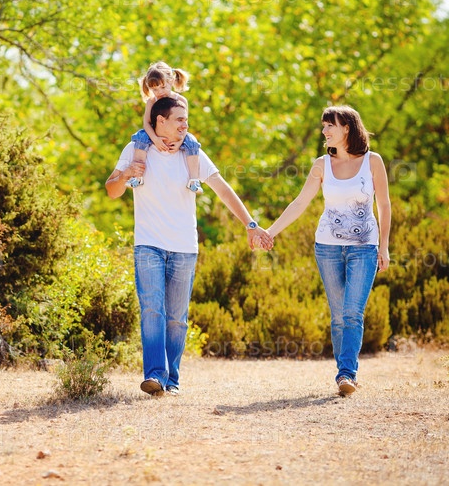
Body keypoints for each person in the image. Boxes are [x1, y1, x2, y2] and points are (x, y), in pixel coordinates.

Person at [106, 96, 272, 396]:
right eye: (179, 119)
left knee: (176, 319)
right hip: (148, 245)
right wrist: (128, 173)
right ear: (160, 121)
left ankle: (171, 380)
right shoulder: (136, 149)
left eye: (186, 120)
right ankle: (155, 375)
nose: (185, 125)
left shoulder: (191, 153)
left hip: (184, 248)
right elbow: (112, 190)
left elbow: (223, 189)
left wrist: (250, 224)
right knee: (152, 310)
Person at [264, 105, 391, 396]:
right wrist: (271, 231)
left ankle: (346, 374)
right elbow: (300, 202)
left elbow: (384, 205)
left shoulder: (373, 161)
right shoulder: (321, 165)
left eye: (329, 125)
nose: (324, 131)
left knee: (352, 312)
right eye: (323, 126)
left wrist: (384, 246)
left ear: (347, 127)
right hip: (327, 249)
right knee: (338, 315)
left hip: (364, 248)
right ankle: (344, 372)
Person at [126, 62, 203, 195]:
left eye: (163, 87)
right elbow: (146, 123)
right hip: (154, 134)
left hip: (177, 134)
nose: (159, 92)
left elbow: (184, 124)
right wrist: (155, 139)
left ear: (171, 81)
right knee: (140, 137)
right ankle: (137, 177)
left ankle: (194, 180)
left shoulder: (181, 100)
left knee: (192, 142)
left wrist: (179, 141)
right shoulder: (151, 101)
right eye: (155, 89)